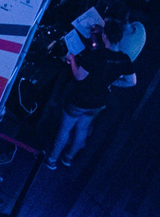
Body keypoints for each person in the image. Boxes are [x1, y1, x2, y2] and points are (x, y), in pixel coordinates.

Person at [47, 22, 138, 168]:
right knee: (82, 129)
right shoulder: (124, 59)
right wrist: (111, 82)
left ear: (104, 36)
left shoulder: (96, 55)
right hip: (98, 102)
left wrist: (72, 59)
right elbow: (131, 82)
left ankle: (52, 159)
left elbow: (79, 76)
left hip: (80, 99)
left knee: (65, 129)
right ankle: (68, 158)